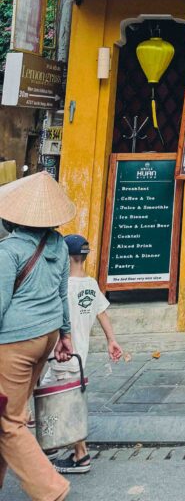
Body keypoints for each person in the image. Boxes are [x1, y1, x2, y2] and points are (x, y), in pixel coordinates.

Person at [0, 172, 76, 501]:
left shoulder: (9, 250)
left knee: (8, 422)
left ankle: (52, 490)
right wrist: (65, 334)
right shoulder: (58, 244)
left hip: (15, 342)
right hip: (45, 336)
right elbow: (62, 294)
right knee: (10, 413)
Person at [42, 234, 123, 475]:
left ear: (64, 257)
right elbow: (102, 313)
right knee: (48, 394)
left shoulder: (62, 286)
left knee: (67, 403)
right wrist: (112, 340)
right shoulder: (90, 284)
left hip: (64, 355)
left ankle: (81, 454)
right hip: (78, 356)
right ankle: (50, 444)